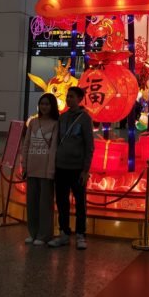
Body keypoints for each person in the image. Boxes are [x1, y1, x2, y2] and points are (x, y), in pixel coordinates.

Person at [48, 86, 94, 250]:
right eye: (67, 96)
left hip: (77, 168)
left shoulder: (85, 119)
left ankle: (81, 234)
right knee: (62, 202)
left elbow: (89, 146)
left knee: (80, 202)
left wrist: (85, 170)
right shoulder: (62, 117)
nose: (68, 99)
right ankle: (64, 233)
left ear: (80, 99)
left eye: (72, 97)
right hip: (61, 166)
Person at [21, 93, 60, 246]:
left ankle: (44, 235)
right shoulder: (33, 123)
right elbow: (26, 145)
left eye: (47, 104)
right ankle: (33, 232)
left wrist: (50, 170)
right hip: (32, 168)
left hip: (45, 170)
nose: (44, 107)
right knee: (31, 203)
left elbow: (54, 149)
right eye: (42, 104)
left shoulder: (55, 123)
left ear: (52, 106)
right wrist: (24, 165)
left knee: (45, 204)